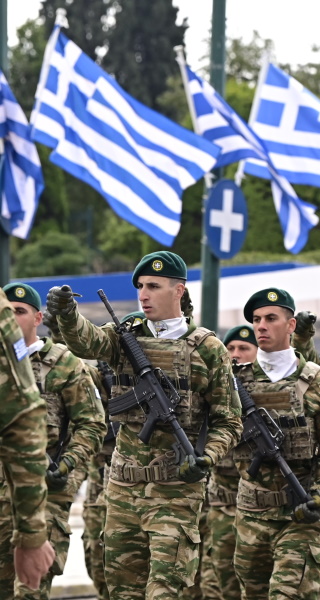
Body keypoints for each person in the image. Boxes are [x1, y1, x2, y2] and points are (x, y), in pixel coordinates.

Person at [46, 251, 243, 600]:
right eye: (140, 286)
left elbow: (229, 420)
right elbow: (86, 341)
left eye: (153, 286)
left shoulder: (208, 348)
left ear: (178, 291)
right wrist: (67, 313)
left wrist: (207, 457)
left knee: (164, 591)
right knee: (123, 592)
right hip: (123, 489)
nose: (143, 294)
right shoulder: (126, 336)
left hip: (175, 490)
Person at [231, 288, 320, 598]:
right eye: (257, 320)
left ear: (291, 325)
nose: (261, 326)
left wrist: (319, 493)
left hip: (298, 514)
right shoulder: (235, 382)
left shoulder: (318, 382)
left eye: (271, 318)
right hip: (251, 514)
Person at [0, 283, 105, 600]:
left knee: (29, 590)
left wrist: (67, 464)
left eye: (20, 312)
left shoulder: (65, 365)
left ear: (37, 318)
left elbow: (92, 424)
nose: (13, 319)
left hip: (45, 497)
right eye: (8, 312)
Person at [201, 324, 259, 600]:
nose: (236, 354)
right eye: (231, 349)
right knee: (217, 582)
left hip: (259, 504)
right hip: (221, 505)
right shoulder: (216, 389)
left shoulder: (265, 389)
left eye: (244, 348)